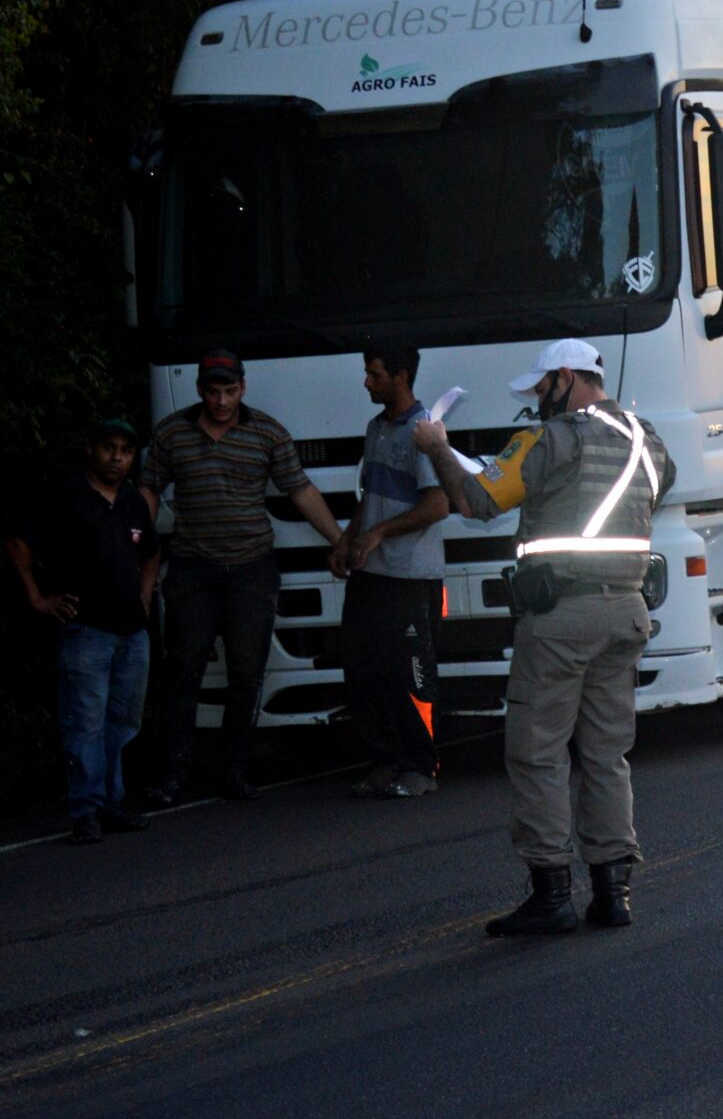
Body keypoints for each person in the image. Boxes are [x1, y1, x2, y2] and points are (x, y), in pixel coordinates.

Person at [414, 337, 671, 936]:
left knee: (537, 751)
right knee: (607, 754)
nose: (537, 402)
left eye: (540, 389)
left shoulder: (552, 439)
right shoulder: (647, 440)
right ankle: (613, 892)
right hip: (627, 612)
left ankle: (551, 891)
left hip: (561, 619)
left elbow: (476, 500)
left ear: (564, 377)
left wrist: (439, 448)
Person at [141, 351, 344, 802]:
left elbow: (301, 490)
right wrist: (134, 546)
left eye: (229, 391)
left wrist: (338, 540)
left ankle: (235, 771)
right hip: (193, 568)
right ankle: (173, 775)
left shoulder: (266, 432)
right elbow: (149, 489)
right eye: (213, 392)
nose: (220, 401)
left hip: (251, 569)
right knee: (183, 672)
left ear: (243, 388)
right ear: (200, 390)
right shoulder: (172, 432)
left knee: (247, 673)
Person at [8, 419, 160, 843]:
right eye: (109, 447)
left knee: (123, 722)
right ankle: (86, 811)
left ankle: (112, 803)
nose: (117, 457)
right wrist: (38, 597)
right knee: (84, 723)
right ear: (91, 450)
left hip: (132, 632)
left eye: (126, 450)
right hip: (85, 630)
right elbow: (19, 543)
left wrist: (145, 597)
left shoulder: (132, 502)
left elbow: (151, 552)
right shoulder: (63, 495)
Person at [332, 339, 450, 799]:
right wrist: (347, 539)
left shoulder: (423, 431)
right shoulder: (376, 428)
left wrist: (380, 534)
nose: (367, 382)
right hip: (371, 574)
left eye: (375, 374)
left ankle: (421, 766)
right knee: (364, 669)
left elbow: (438, 505)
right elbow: (371, 495)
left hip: (410, 576)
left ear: (401, 377)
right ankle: (382, 762)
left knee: (412, 673)